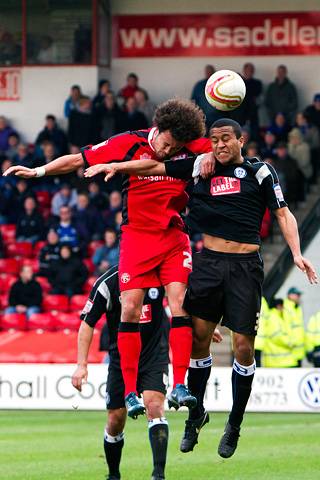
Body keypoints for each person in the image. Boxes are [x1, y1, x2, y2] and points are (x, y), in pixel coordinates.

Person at [92, 118, 317, 457]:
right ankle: (194, 417)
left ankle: (235, 424)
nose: (220, 145)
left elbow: (283, 214)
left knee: (242, 346)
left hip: (245, 268)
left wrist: (297, 253)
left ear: (241, 141)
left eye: (226, 139)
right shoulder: (198, 169)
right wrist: (114, 165)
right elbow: (153, 165)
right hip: (208, 264)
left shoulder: (260, 173)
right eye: (214, 140)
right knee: (197, 339)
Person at [4, 98, 212, 419]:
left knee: (179, 301)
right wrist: (40, 170)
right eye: (167, 144)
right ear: (159, 130)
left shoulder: (191, 143)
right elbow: (78, 159)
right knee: (129, 307)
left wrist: (213, 154)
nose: (169, 152)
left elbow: (221, 147)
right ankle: (130, 392)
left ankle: (181, 385)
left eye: (176, 148)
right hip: (137, 236)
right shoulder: (129, 142)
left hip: (172, 234)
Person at [72, 265, 170, 480]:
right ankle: (114, 474)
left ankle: (158, 475)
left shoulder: (160, 272)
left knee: (154, 405)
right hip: (121, 359)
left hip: (154, 354)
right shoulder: (108, 283)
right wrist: (82, 365)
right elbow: (87, 323)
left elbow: (181, 298)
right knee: (116, 419)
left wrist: (204, 327)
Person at [254, 298, 298, 367]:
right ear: (279, 306)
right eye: (283, 307)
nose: (284, 309)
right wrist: (290, 342)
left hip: (280, 360)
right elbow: (276, 335)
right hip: (278, 361)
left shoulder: (276, 316)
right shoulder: (273, 317)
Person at [191, 64, 221, 132]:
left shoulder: (220, 84)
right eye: (207, 72)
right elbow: (193, 102)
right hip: (202, 118)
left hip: (218, 117)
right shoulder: (199, 85)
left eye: (211, 72)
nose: (209, 74)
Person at [283, 287, 305, 367]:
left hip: (299, 350)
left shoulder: (297, 308)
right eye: (297, 295)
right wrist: (290, 342)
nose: (299, 297)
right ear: (290, 295)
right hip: (290, 350)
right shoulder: (285, 307)